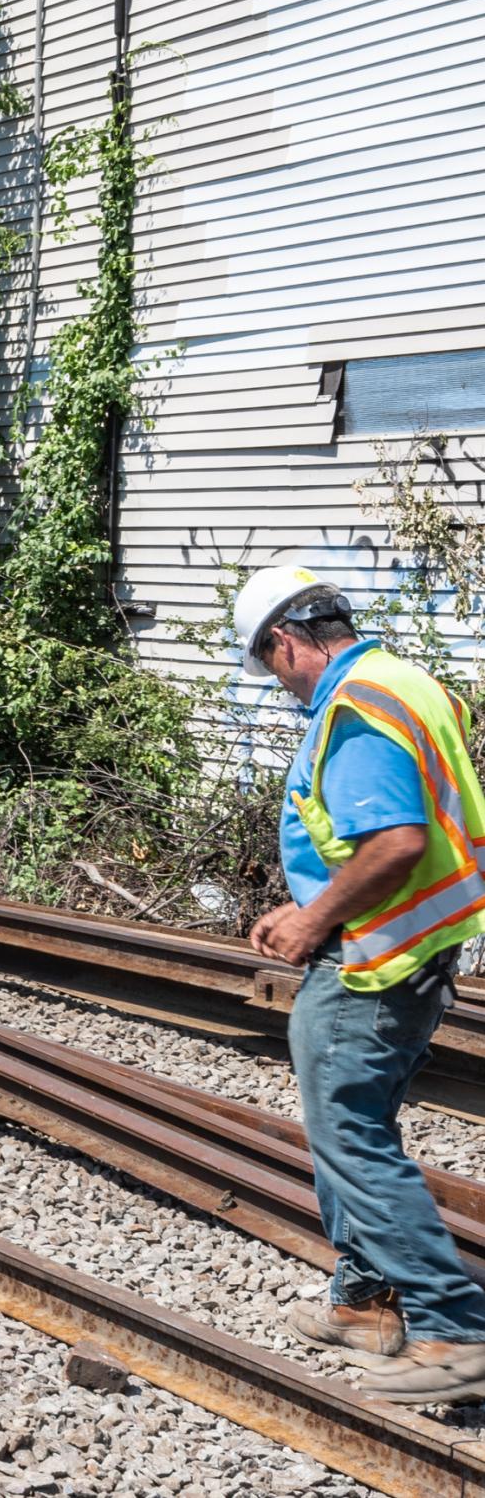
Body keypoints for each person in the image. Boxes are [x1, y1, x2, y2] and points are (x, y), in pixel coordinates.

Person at [236, 565, 485, 1400]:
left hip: (377, 955)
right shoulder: (409, 680)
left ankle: (454, 1325)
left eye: (272, 664)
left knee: (348, 1133)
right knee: (356, 1121)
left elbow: (395, 841)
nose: (281, 683)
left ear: (287, 642)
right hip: (414, 941)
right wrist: (311, 899)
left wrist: (313, 921)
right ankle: (363, 1298)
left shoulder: (353, 706)